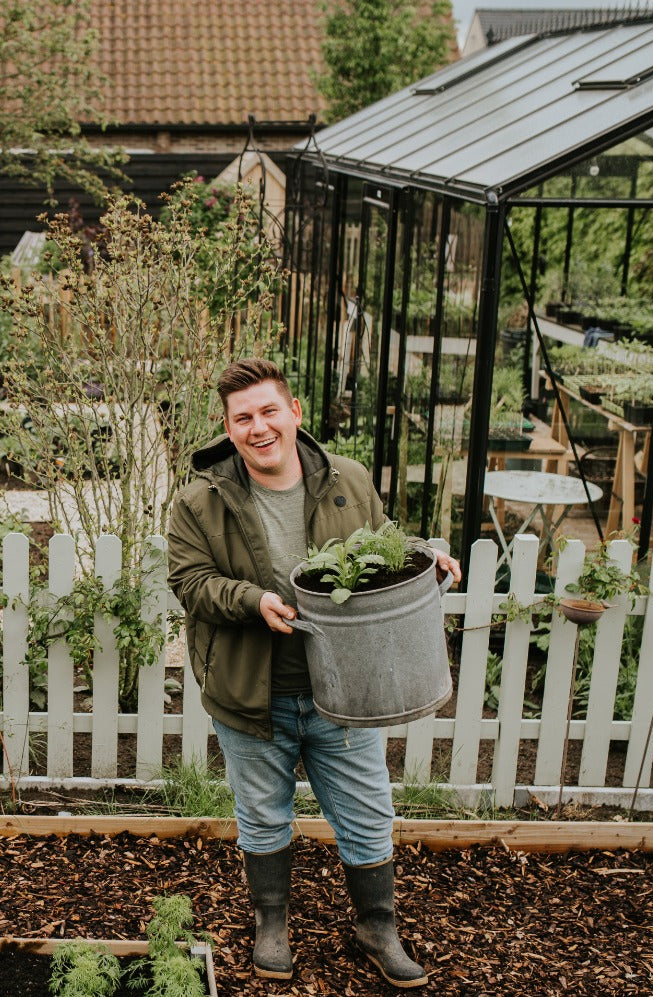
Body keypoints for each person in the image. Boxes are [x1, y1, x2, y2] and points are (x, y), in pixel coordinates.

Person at [166, 358, 460, 989]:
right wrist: (254, 601)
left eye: (269, 411)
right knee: (263, 813)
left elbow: (385, 550)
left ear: (295, 412)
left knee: (366, 810)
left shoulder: (346, 481)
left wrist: (428, 556)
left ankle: (376, 924)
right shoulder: (198, 501)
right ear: (228, 427)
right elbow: (190, 584)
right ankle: (272, 920)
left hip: (342, 691)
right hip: (252, 690)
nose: (258, 427)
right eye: (243, 418)